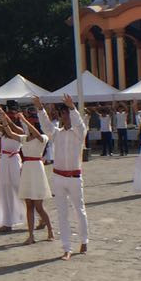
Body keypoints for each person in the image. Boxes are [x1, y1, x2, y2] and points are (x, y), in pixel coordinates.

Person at [33, 94, 87, 260]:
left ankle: (84, 240)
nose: (66, 117)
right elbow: (46, 126)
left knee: (79, 211)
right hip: (59, 177)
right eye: (63, 114)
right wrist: (40, 109)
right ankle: (66, 247)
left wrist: (72, 108)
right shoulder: (57, 133)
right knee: (62, 213)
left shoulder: (79, 133)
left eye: (68, 113)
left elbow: (79, 124)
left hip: (74, 177)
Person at [0, 107, 53, 243]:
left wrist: (25, 120)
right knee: (29, 204)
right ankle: (31, 235)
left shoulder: (43, 138)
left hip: (37, 170)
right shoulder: (24, 139)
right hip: (27, 170)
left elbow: (37, 135)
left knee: (39, 206)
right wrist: (5, 121)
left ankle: (50, 230)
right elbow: (10, 133)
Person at [0, 103, 27, 232]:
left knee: (19, 189)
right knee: (4, 190)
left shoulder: (20, 131)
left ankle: (35, 217)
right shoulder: (3, 131)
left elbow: (10, 126)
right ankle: (7, 222)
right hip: (5, 160)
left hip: (15, 160)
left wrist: (2, 112)